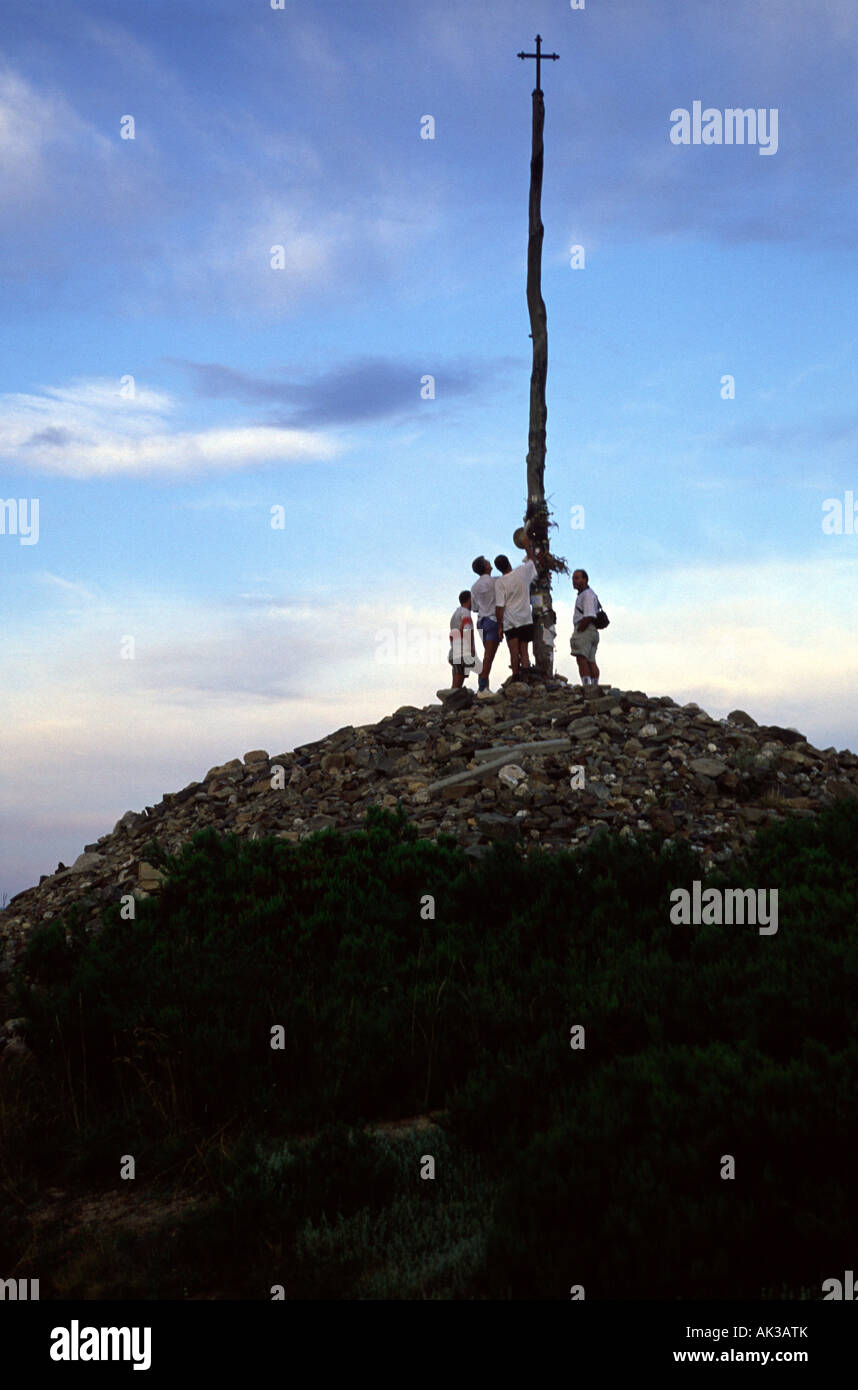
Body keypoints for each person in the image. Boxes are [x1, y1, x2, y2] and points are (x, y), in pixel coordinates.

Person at [495, 543, 537, 679]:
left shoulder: (500, 583)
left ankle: (516, 677)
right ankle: (526, 676)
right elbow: (532, 560)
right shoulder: (522, 572)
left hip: (511, 621)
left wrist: (500, 625)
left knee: (514, 651)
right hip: (525, 618)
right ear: (508, 562)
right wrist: (526, 545)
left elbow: (500, 606)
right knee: (524, 650)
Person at [470, 556, 502, 698]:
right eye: (488, 562)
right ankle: (483, 688)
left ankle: (484, 687)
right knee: (489, 656)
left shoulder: (474, 587)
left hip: (481, 621)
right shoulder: (495, 582)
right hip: (492, 620)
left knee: (487, 655)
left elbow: (475, 607)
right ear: (486, 567)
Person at [570, 569, 602, 687]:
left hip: (585, 629)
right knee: (591, 660)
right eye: (573, 578)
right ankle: (594, 685)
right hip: (592, 631)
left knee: (581, 658)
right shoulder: (591, 594)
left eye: (577, 578)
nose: (574, 581)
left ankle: (587, 686)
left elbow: (588, 615)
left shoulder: (586, 594)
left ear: (585, 579)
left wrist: (579, 630)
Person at [448, 589, 476, 690]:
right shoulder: (465, 613)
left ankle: (452, 702)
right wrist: (470, 649)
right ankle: (452, 703)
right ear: (469, 599)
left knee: (456, 683)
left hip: (455, 650)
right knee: (457, 685)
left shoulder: (455, 614)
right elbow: (467, 628)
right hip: (461, 652)